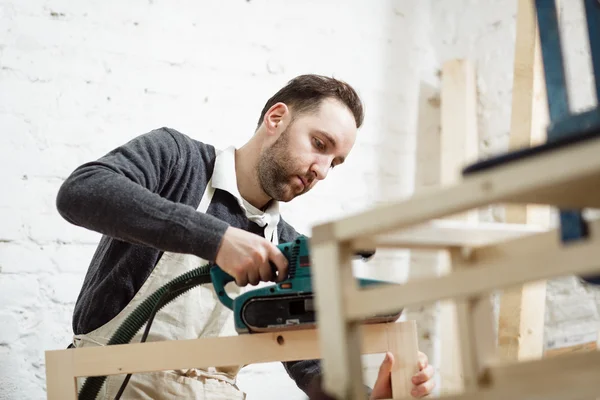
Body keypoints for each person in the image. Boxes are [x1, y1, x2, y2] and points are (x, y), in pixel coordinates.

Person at [56, 74, 435, 399]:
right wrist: (217, 239)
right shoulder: (177, 159)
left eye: (334, 162)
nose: (321, 171)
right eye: (319, 144)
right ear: (276, 118)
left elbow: (310, 365)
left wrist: (367, 396)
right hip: (109, 386)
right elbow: (81, 191)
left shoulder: (286, 246)